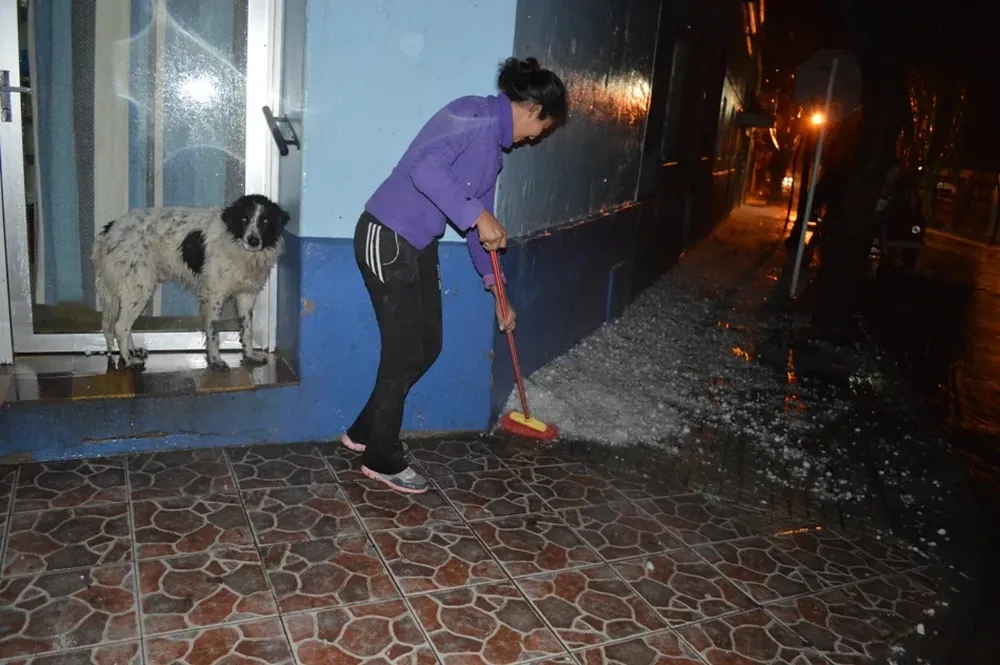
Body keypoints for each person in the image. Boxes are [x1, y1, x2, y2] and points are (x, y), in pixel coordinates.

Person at [340, 57, 568, 494]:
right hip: (385, 234)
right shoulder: (472, 113)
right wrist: (477, 213)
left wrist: (496, 287)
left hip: (416, 244)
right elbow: (425, 169)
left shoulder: (492, 159)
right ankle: (381, 456)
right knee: (404, 351)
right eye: (545, 127)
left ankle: (365, 430)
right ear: (533, 110)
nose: (538, 137)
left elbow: (478, 232)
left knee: (428, 345)